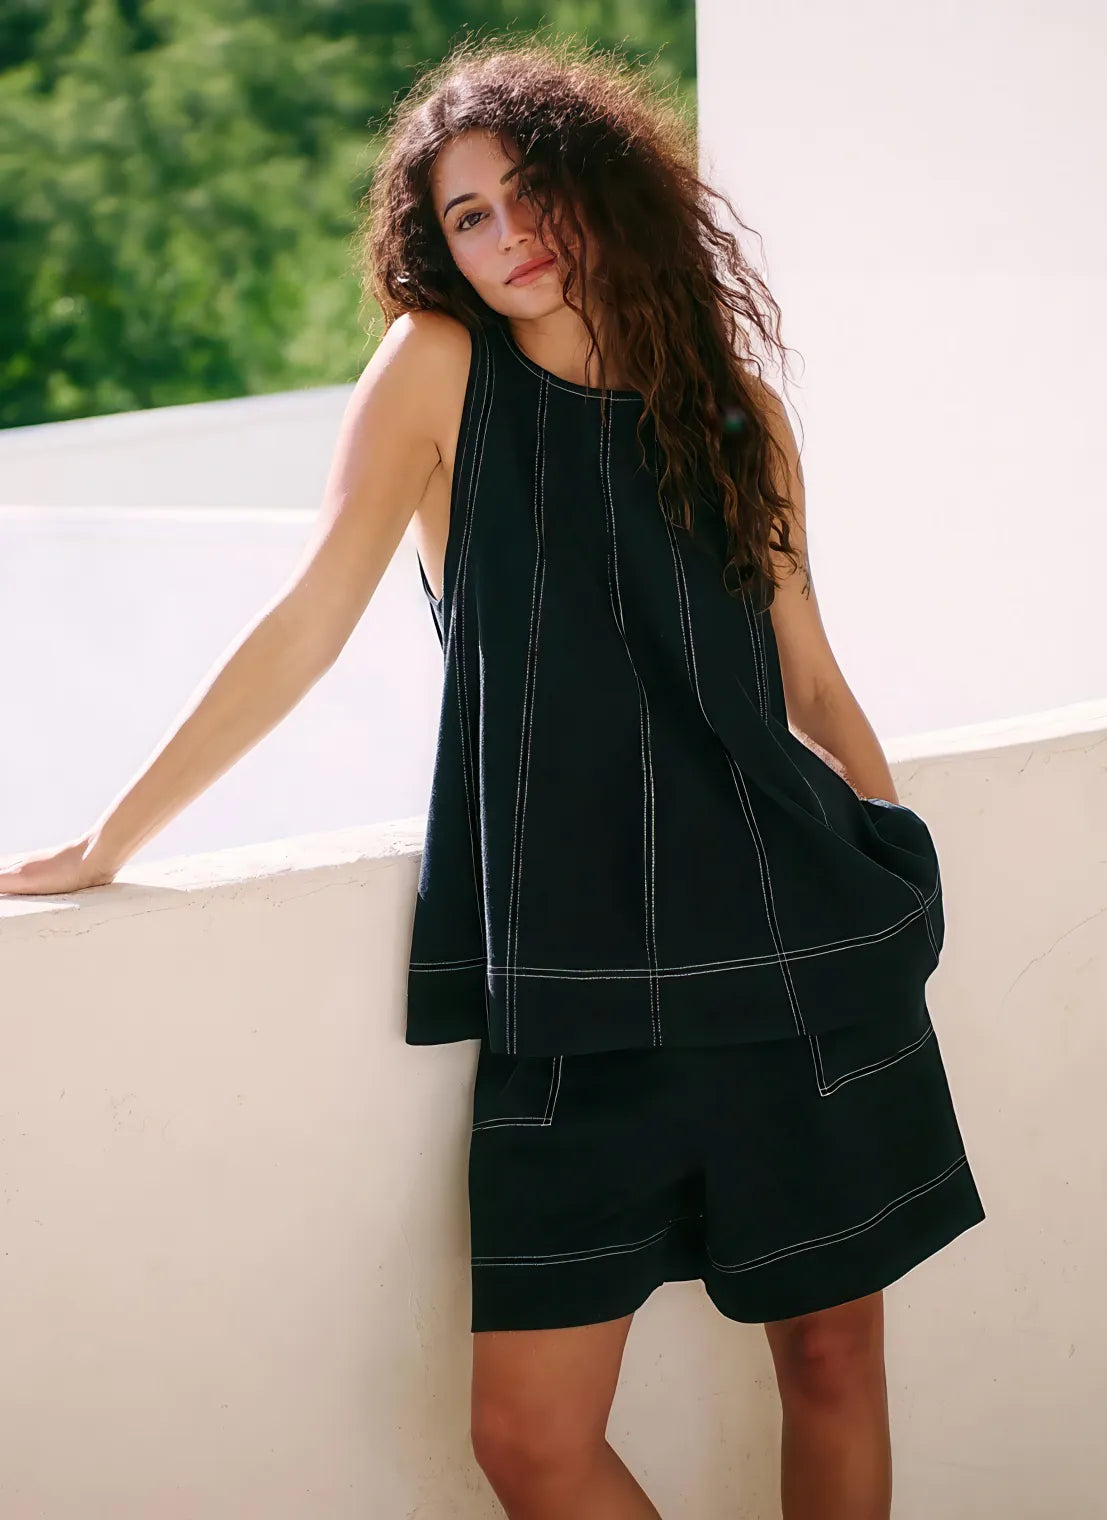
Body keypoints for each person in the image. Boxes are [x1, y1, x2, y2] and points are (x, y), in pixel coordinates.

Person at [0, 33, 985, 1520]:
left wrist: (896, 866)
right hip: (570, 992)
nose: (508, 235)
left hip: (799, 956)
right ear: (438, 247)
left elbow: (812, 682)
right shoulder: (441, 370)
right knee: (529, 1436)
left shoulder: (737, 412)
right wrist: (109, 838)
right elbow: (308, 621)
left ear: (604, 189)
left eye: (534, 192)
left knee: (837, 1364)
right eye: (469, 215)